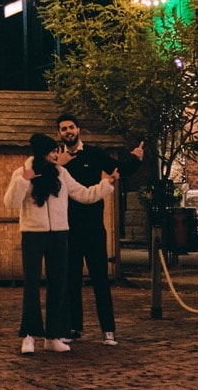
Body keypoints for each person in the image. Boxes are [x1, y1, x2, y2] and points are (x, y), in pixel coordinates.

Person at [4, 132, 115, 355]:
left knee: (58, 284)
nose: (57, 154)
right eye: (53, 151)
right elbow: (11, 203)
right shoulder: (23, 172)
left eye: (57, 151)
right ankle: (29, 336)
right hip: (33, 233)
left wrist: (106, 185)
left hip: (59, 233)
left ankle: (53, 335)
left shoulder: (61, 173)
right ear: (42, 153)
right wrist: (24, 180)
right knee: (32, 285)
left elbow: (83, 194)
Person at [58, 115, 144, 345]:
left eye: (71, 127)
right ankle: (74, 328)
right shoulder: (57, 159)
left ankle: (108, 330)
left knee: (100, 280)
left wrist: (136, 158)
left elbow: (119, 169)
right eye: (64, 129)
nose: (68, 131)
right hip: (67, 227)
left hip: (94, 227)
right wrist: (58, 163)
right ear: (59, 133)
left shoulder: (94, 154)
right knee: (71, 280)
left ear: (78, 129)